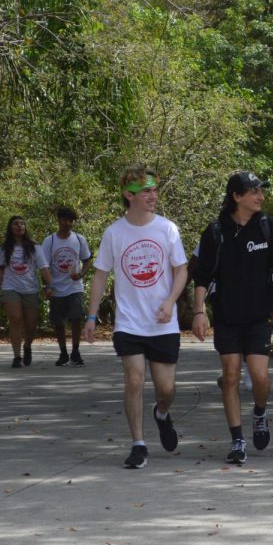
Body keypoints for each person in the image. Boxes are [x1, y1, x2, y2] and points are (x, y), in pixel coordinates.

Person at [83, 166, 188, 469]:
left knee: (166, 389)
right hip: (129, 323)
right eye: (146, 191)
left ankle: (162, 413)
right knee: (133, 379)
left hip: (162, 322)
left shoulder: (167, 229)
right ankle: (138, 444)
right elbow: (101, 275)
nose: (153, 195)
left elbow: (181, 269)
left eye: (155, 190)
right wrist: (91, 315)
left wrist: (170, 301)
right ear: (128, 195)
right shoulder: (114, 233)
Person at [191, 171, 273, 465]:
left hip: (259, 316)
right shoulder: (215, 232)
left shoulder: (268, 228)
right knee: (232, 375)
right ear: (237, 197)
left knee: (260, 376)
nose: (260, 196)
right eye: (254, 191)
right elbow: (202, 276)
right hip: (226, 316)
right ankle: (237, 440)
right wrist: (199, 312)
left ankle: (259, 413)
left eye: (261, 190)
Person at [0, 215, 52, 368]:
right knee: (15, 319)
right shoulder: (4, 248)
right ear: (10, 228)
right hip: (10, 287)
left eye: (22, 224)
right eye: (16, 224)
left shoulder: (35, 247)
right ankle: (17, 356)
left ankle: (27, 346)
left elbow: (44, 268)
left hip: (30, 289)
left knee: (31, 326)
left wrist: (50, 286)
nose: (20, 226)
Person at [43, 206, 93, 367]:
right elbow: (44, 266)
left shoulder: (79, 239)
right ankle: (63, 352)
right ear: (58, 220)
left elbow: (87, 260)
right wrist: (48, 286)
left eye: (70, 220)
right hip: (56, 286)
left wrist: (81, 274)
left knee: (77, 317)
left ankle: (76, 351)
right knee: (59, 321)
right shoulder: (50, 241)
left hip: (74, 286)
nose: (67, 223)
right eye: (64, 220)